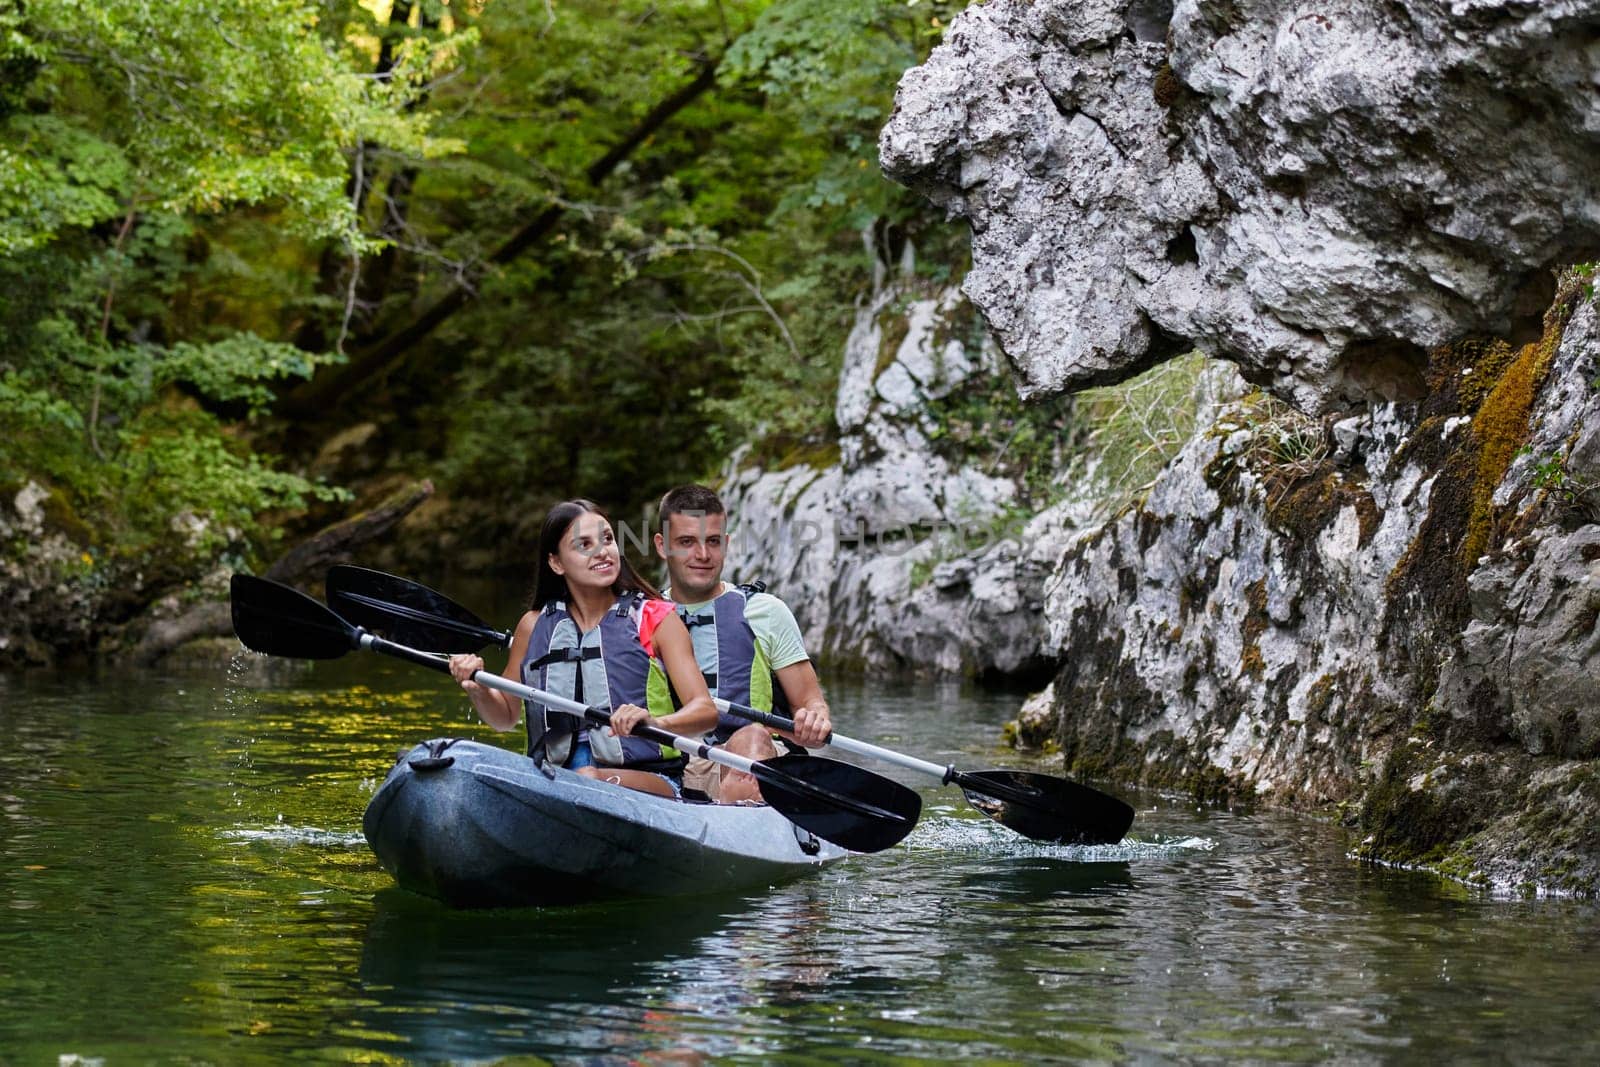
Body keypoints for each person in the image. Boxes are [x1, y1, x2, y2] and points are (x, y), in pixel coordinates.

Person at [447, 499, 718, 798]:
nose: (602, 551)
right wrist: (478, 688)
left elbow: (705, 711)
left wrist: (655, 722)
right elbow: (505, 717)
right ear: (556, 563)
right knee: (574, 777)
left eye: (607, 539)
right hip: (553, 777)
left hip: (651, 780)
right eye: (584, 544)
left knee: (588, 778)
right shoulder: (533, 625)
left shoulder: (656, 618)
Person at [653, 484, 833, 803]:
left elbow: (810, 702)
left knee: (750, 738)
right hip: (674, 763)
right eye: (686, 542)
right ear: (662, 546)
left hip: (757, 754)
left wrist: (814, 718)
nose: (703, 555)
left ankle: (747, 824)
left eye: (712, 542)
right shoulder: (641, 616)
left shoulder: (766, 611)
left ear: (726, 544)